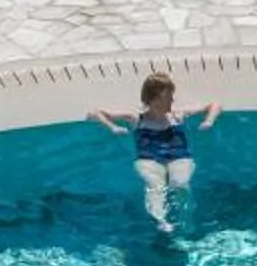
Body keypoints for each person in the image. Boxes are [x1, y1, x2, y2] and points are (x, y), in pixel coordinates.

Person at [90, 73, 220, 235]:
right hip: (149, 159)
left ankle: (184, 218)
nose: (172, 100)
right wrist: (112, 127)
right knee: (155, 186)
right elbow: (96, 113)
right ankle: (161, 220)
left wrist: (209, 121)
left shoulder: (177, 116)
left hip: (178, 157)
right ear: (155, 99)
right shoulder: (137, 118)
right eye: (168, 96)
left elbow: (214, 105)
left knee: (180, 184)